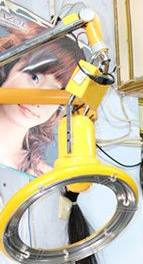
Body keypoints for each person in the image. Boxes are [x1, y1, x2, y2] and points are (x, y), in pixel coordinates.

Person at [0, 27, 83, 176]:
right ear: (8, 67)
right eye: (35, 78)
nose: (38, 100)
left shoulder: (44, 177)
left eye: (55, 93)